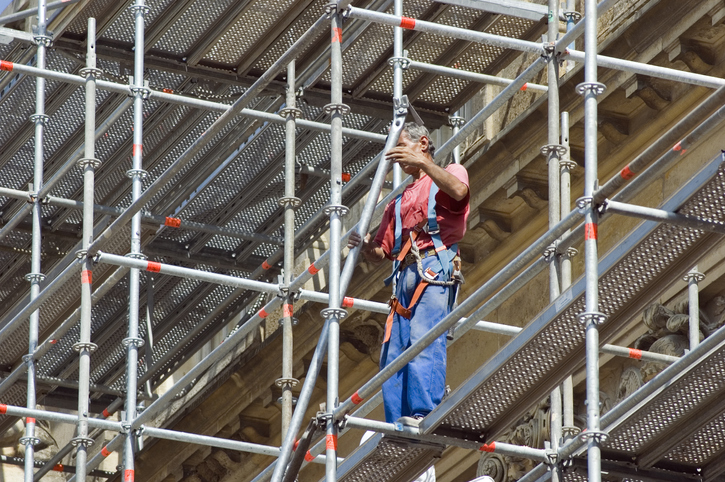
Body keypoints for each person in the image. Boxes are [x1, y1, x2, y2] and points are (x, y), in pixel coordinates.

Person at [349, 122, 470, 426]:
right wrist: (365, 246)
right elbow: (381, 252)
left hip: (434, 270)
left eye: (402, 146)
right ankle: (397, 421)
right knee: (394, 355)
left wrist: (425, 165)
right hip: (405, 280)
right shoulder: (398, 200)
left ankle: (422, 413)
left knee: (423, 341)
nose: (397, 156)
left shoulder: (451, 173)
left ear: (423, 143)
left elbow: (458, 192)